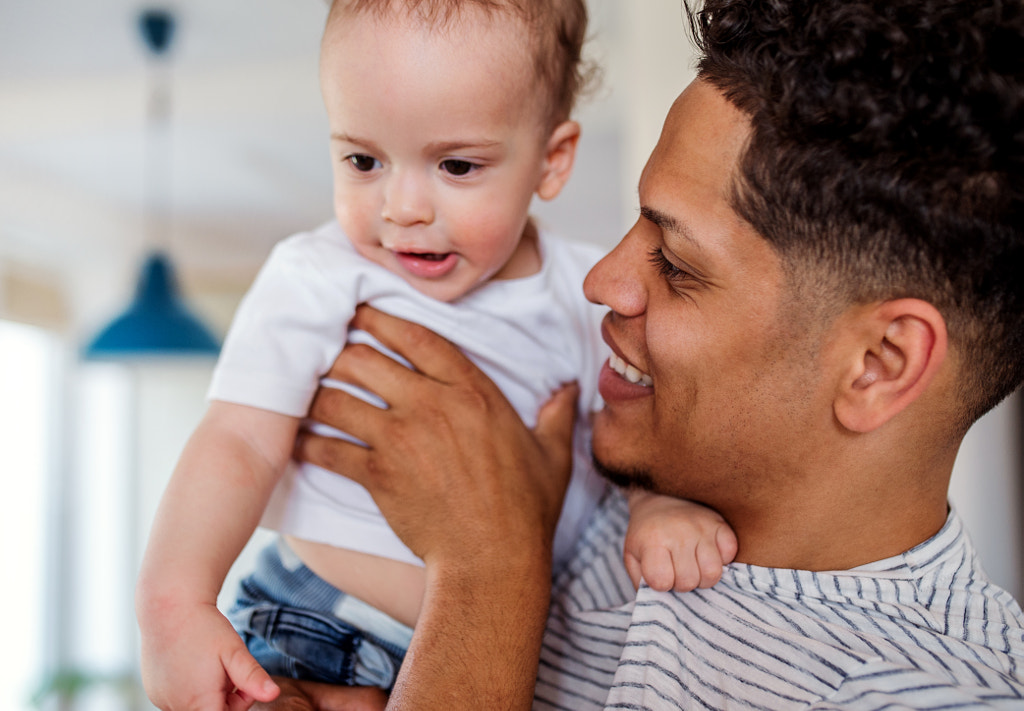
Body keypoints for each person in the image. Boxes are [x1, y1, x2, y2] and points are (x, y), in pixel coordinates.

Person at [258, 0, 1024, 708]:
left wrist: (490, 576)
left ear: (879, 363)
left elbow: (487, 574)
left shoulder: (936, 691)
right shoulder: (571, 479)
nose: (601, 281)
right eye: (636, 224)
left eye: (678, 264)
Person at [135, 1, 738, 709]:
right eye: (364, 159)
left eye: (455, 164)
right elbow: (237, 441)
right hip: (314, 623)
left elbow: (625, 430)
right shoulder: (318, 275)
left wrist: (656, 505)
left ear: (552, 159)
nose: (403, 206)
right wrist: (173, 603)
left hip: (511, 652)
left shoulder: (583, 292)